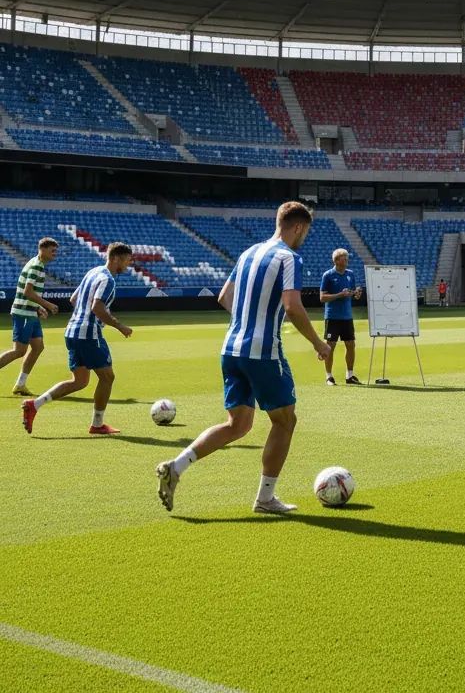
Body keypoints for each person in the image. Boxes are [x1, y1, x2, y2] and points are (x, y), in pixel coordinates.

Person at [156, 202, 330, 514]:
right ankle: (265, 498)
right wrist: (318, 343)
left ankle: (176, 466)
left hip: (231, 349)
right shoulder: (290, 258)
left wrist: (247, 321)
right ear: (300, 227)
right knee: (285, 420)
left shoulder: (249, 252)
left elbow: (224, 296)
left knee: (237, 425)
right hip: (262, 352)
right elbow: (292, 306)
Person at [21, 242, 134, 436]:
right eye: (126, 260)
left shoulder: (93, 272)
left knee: (79, 381)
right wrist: (119, 326)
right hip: (88, 334)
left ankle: (34, 405)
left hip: (72, 330)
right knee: (107, 377)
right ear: (116, 258)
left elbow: (74, 299)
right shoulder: (108, 279)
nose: (127, 265)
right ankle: (97, 425)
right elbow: (97, 308)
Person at [2, 236, 60, 396]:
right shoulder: (36, 266)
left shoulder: (37, 264)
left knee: (38, 347)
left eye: (56, 251)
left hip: (29, 313)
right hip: (23, 314)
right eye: (52, 250)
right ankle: (20, 384)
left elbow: (28, 293)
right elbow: (28, 291)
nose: (55, 254)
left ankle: (20, 384)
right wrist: (47, 305)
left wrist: (38, 308)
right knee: (19, 350)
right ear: (42, 249)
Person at [320, 248, 363, 385]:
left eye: (347, 258)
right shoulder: (328, 275)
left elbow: (351, 292)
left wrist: (356, 293)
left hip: (347, 316)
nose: (347, 261)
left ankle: (349, 375)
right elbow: (322, 298)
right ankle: (329, 376)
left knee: (351, 344)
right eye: (344, 258)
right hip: (332, 316)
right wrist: (339, 295)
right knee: (330, 346)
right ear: (337, 260)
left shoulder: (350, 274)